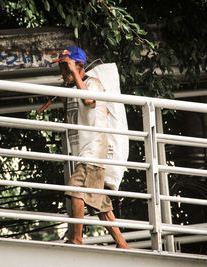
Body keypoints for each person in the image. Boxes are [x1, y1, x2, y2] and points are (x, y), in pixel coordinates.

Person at [53, 46, 130, 249]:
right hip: (85, 152)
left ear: (80, 66)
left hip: (93, 151)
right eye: (61, 68)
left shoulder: (92, 84)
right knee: (100, 203)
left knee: (74, 189)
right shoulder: (74, 88)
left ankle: (77, 238)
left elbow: (88, 100)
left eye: (67, 67)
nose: (63, 72)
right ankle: (122, 243)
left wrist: (74, 76)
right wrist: (67, 81)